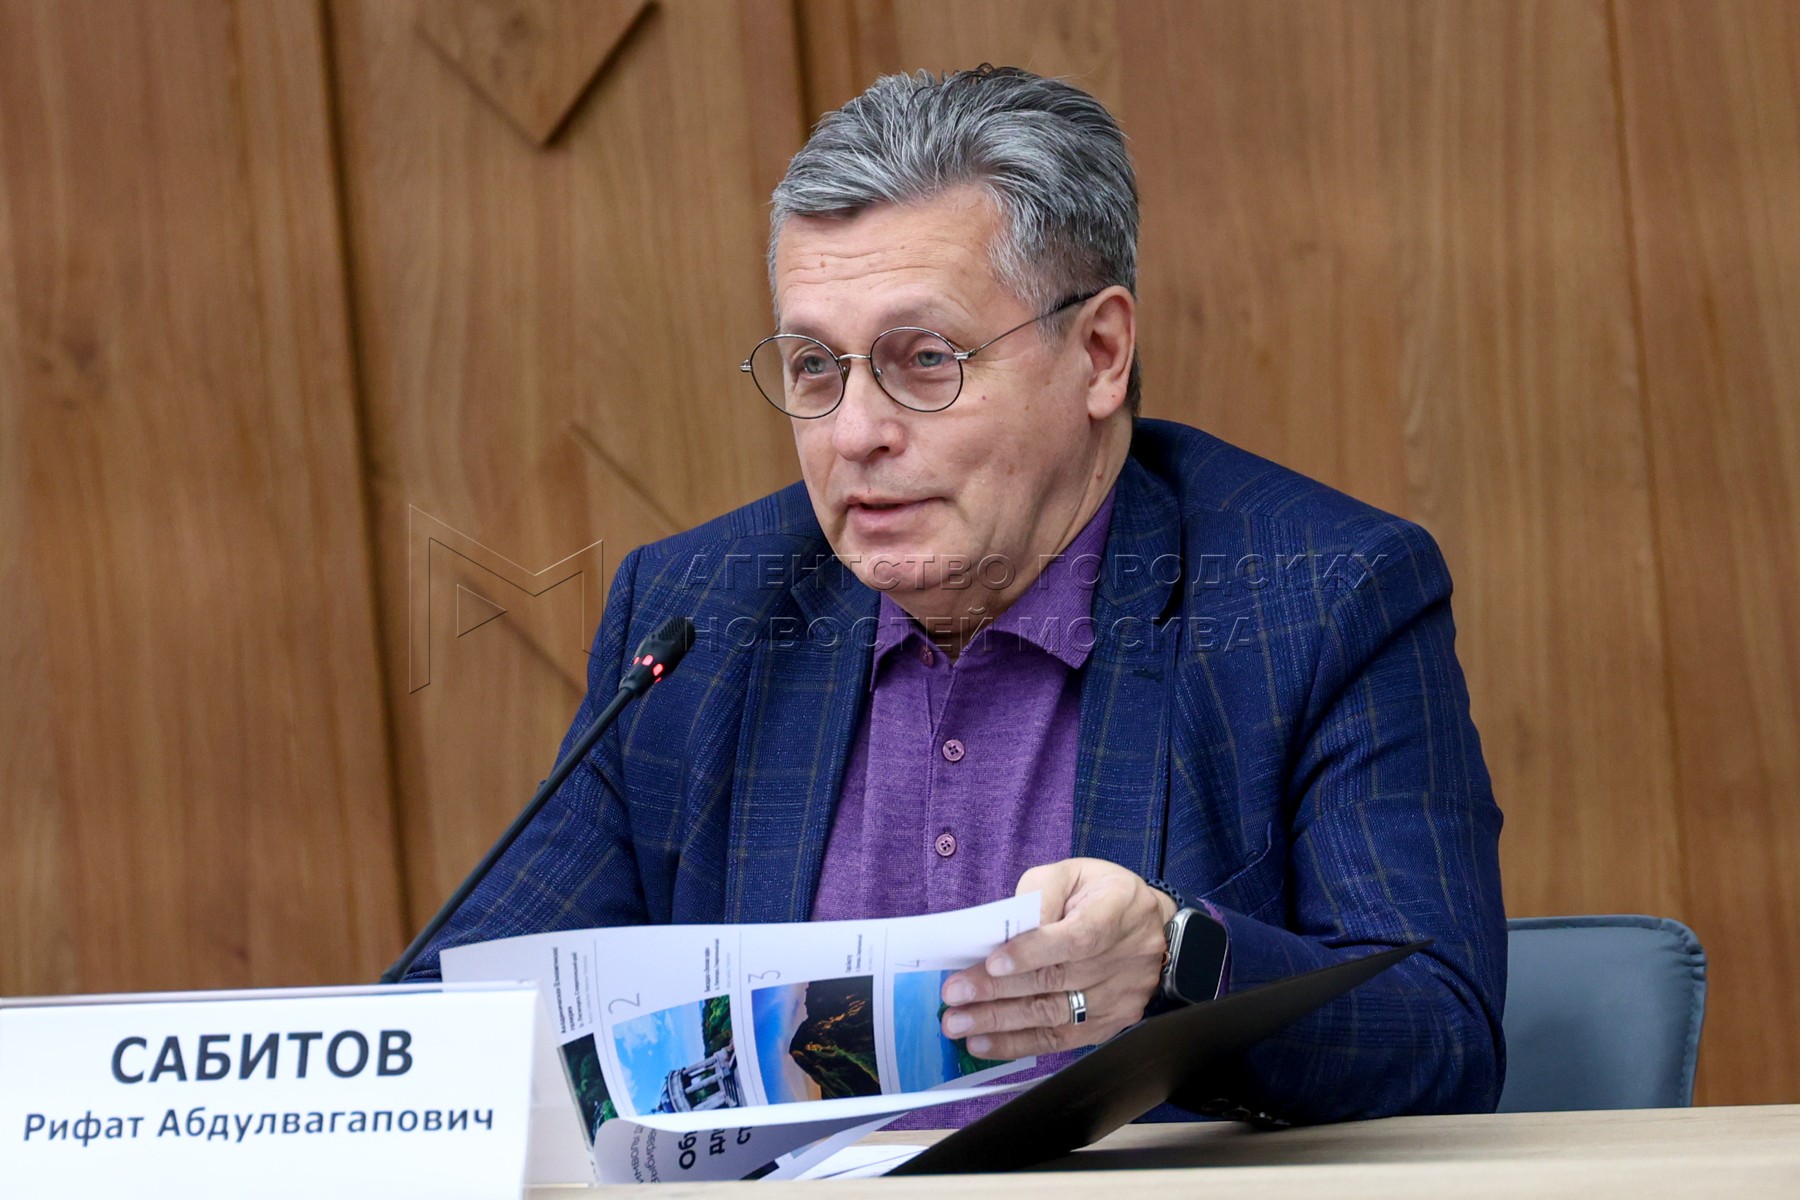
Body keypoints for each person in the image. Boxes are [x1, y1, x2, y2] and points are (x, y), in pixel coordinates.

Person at [403, 66, 1506, 1124]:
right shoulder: (699, 615)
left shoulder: (1319, 596)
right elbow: (455, 1016)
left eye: (924, 359)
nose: (853, 434)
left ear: (1100, 354)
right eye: (814, 366)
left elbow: (1440, 1036)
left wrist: (1176, 961)